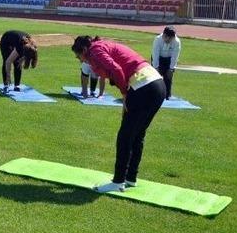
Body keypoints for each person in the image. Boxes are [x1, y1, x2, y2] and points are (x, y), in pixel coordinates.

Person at [71, 36, 166, 193]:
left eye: (78, 56)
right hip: (158, 85)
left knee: (125, 137)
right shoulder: (103, 46)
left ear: (84, 50)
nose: (80, 60)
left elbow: (116, 69)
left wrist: (124, 94)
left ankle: (118, 182)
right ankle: (130, 178)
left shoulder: (95, 51)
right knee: (137, 134)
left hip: (143, 86)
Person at [152, 26, 181, 99]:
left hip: (169, 59)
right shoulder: (157, 39)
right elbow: (155, 54)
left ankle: (167, 96)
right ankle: (153, 95)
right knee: (155, 78)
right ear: (163, 35)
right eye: (166, 37)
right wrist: (156, 67)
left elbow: (175, 56)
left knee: (168, 78)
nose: (168, 40)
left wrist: (171, 69)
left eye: (170, 38)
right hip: (159, 58)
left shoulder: (177, 42)